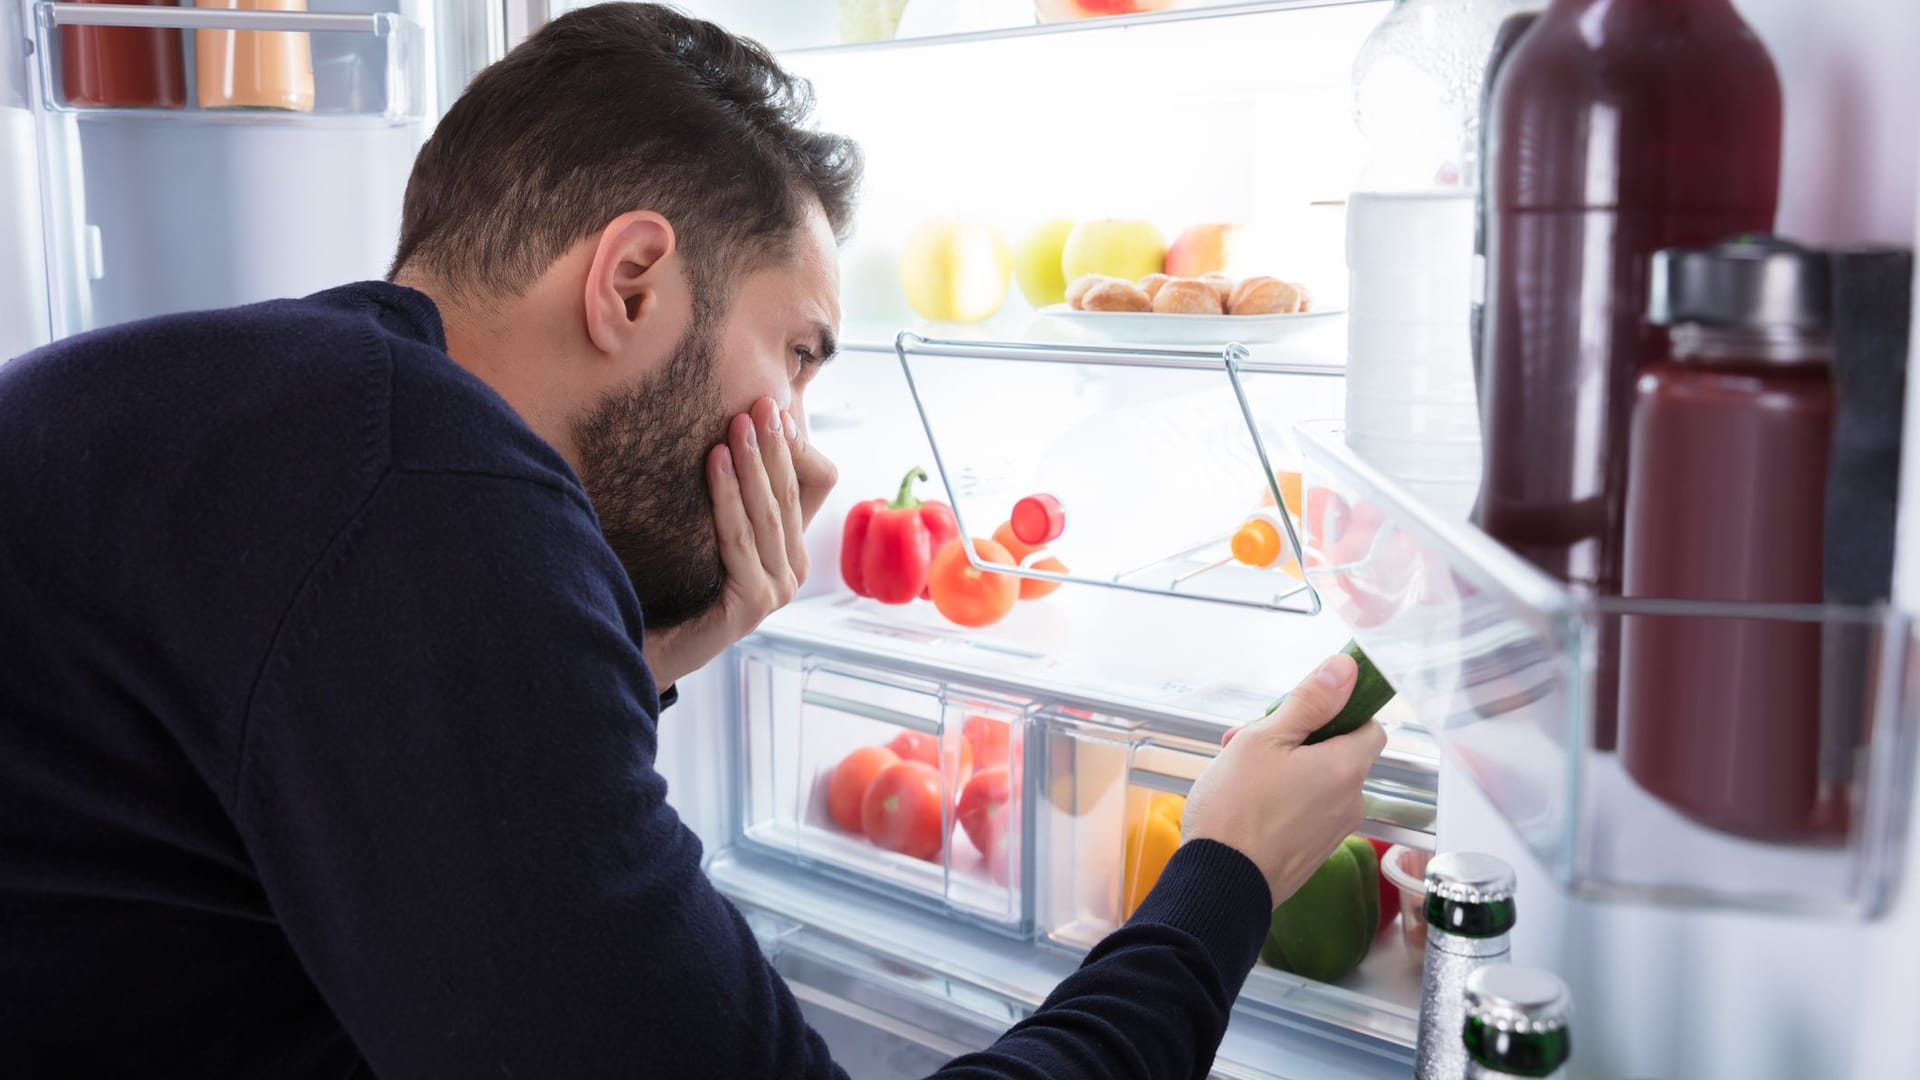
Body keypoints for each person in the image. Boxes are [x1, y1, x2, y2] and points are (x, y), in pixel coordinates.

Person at [0, 4, 1388, 1078]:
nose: (806, 444)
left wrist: (663, 641)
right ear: (632, 280)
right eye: (797, 355)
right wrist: (1225, 878)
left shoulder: (294, 413)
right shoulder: (435, 497)